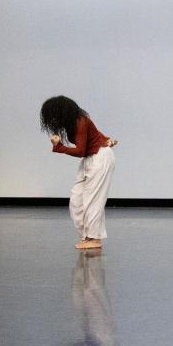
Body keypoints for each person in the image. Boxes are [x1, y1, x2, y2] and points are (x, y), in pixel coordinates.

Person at [41, 96, 117, 250]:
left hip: (99, 159)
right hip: (91, 159)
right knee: (77, 200)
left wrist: (59, 147)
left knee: (92, 200)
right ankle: (86, 236)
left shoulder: (80, 121)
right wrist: (107, 139)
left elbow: (80, 151)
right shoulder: (71, 124)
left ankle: (94, 238)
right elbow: (95, 134)